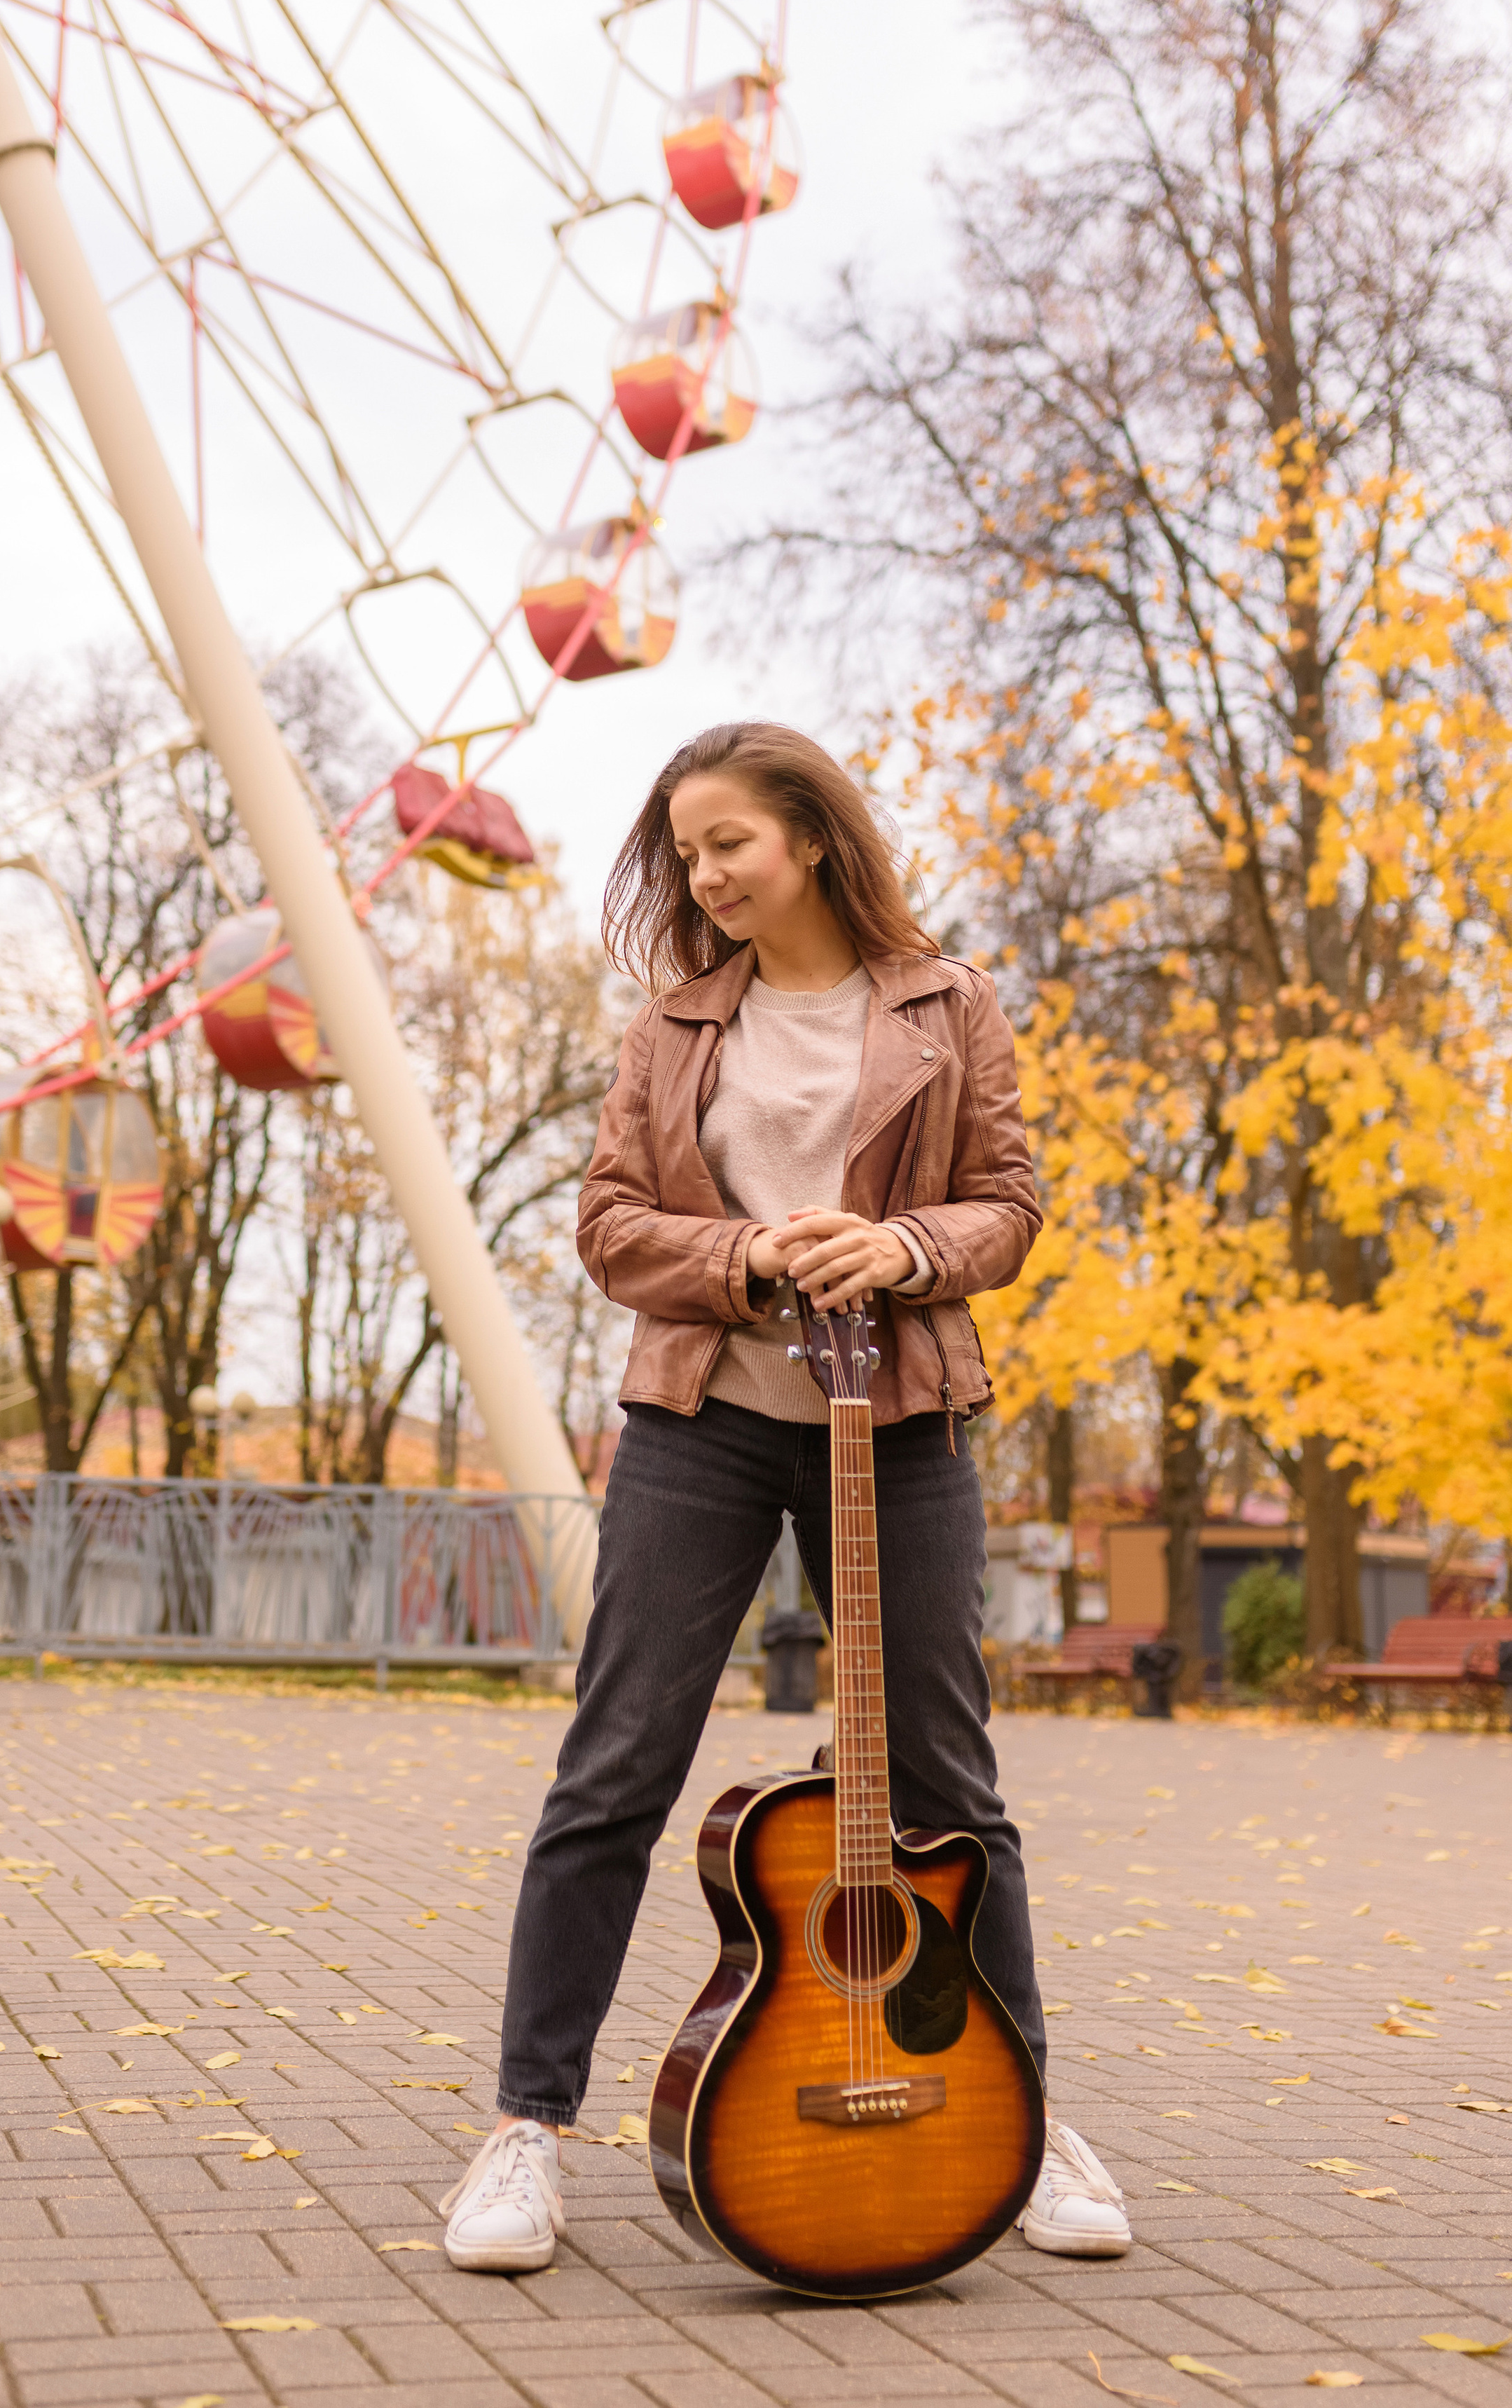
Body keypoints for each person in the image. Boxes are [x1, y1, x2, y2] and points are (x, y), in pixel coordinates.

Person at [439, 721, 1130, 2274]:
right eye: (683, 852)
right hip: (705, 1419)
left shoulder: (950, 1005)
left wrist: (902, 1250)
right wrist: (743, 1255)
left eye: (726, 843)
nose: (702, 874)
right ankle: (522, 2132)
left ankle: (1018, 2118)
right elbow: (611, 1226)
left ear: (808, 838)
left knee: (949, 1786)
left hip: (897, 1421)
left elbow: (1007, 1204)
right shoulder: (671, 1026)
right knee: (614, 1767)